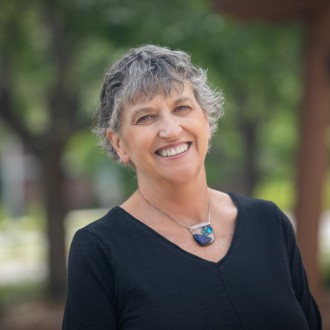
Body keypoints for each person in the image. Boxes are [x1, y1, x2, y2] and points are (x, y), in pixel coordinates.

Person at [62, 45, 322, 330]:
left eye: (182, 107)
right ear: (119, 144)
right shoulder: (99, 251)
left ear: (206, 121)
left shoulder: (269, 223)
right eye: (145, 117)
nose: (171, 130)